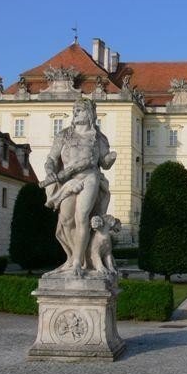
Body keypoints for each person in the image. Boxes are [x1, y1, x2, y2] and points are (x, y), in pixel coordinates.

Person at [42, 98, 117, 277]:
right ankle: (72, 257)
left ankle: (77, 262)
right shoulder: (64, 135)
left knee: (82, 217)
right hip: (68, 180)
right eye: (75, 110)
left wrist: (110, 158)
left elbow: (104, 163)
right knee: (66, 220)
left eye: (80, 110)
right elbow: (52, 158)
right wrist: (50, 170)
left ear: (90, 113)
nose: (76, 113)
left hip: (90, 177)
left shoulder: (98, 137)